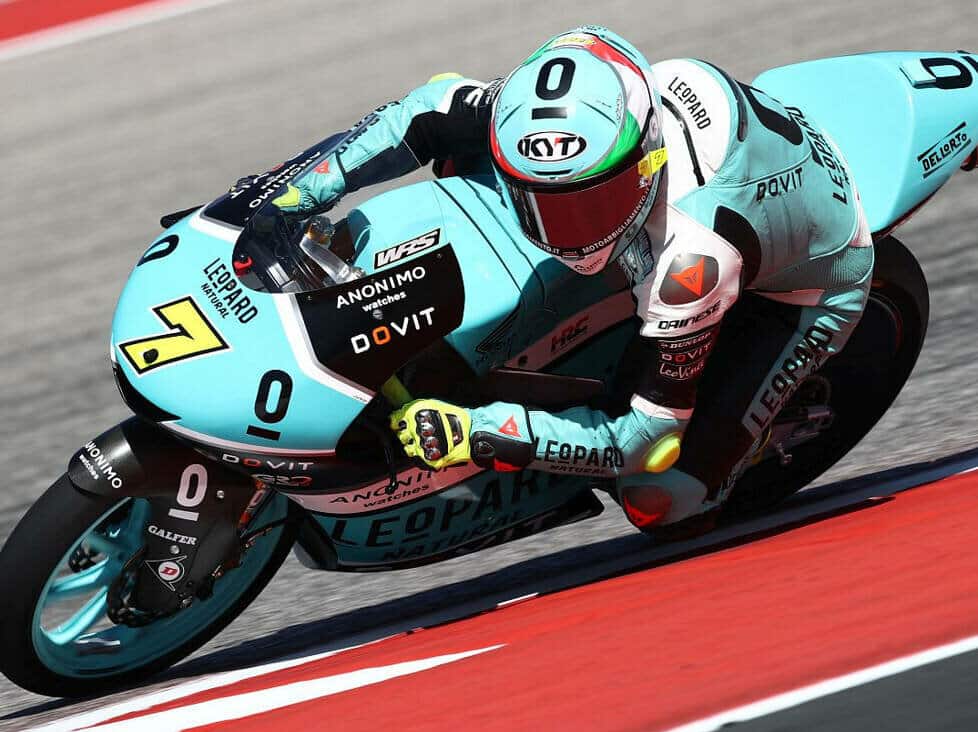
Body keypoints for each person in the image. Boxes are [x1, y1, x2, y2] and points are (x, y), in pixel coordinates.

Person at [275, 26, 873, 537]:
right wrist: (298, 193)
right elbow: (427, 108)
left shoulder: (692, 260)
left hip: (812, 287)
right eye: (542, 204)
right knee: (461, 156)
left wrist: (480, 431)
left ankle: (745, 443)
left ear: (648, 162)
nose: (566, 234)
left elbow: (646, 438)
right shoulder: (564, 103)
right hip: (728, 172)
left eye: (592, 205)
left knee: (660, 500)